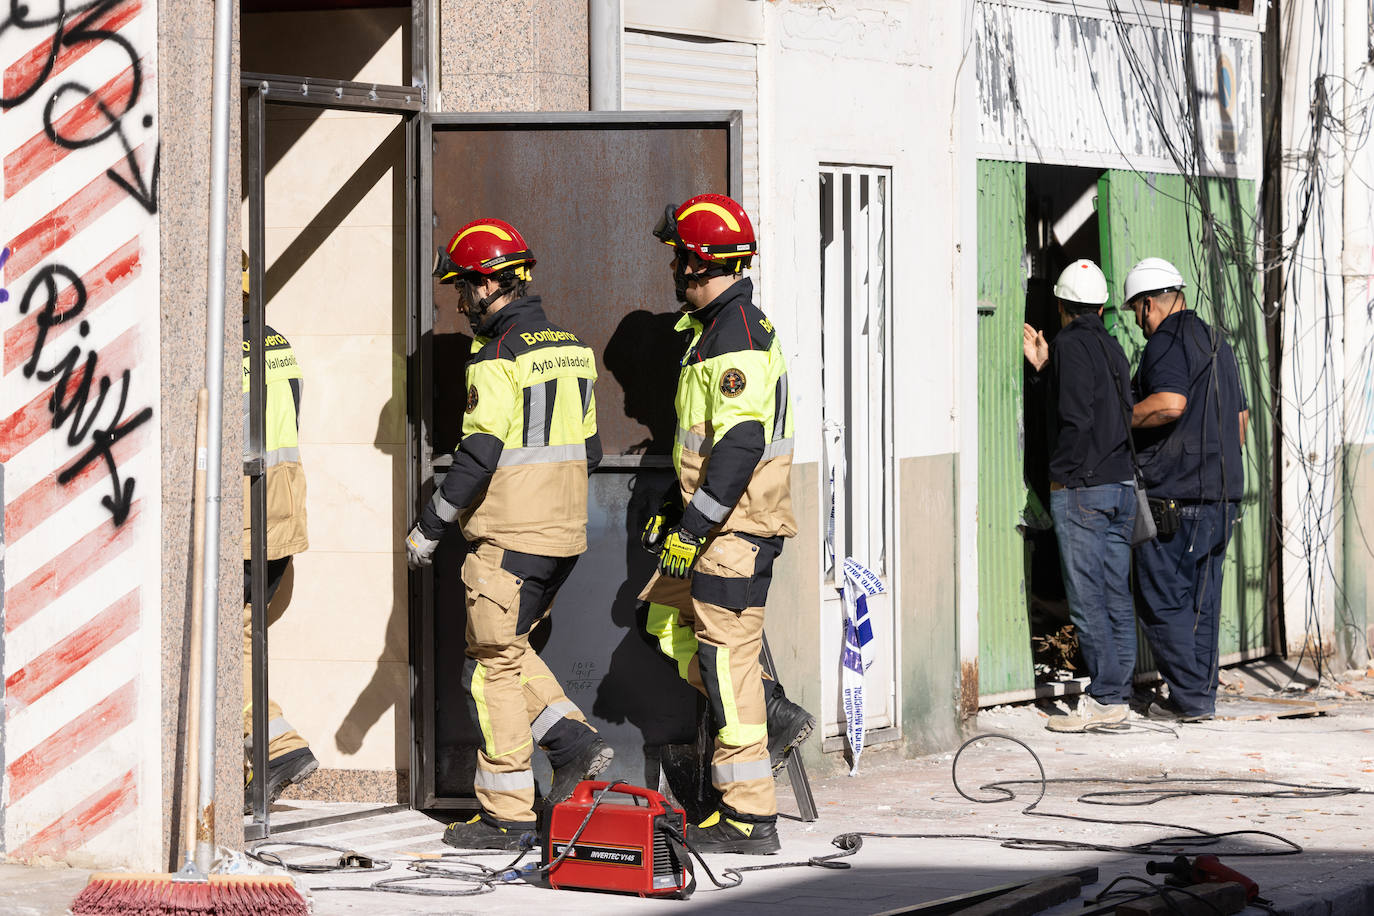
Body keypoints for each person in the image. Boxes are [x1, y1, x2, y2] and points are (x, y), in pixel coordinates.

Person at [405, 218, 612, 850]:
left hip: (510, 536)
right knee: (512, 648)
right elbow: (594, 449)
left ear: (492, 284)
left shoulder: (497, 356)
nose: (461, 304)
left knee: (490, 667)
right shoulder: (572, 347)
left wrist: (431, 526)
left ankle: (506, 814)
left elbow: (478, 454)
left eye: (464, 290)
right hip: (563, 535)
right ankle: (573, 741)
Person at [638, 194, 815, 855]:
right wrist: (676, 510)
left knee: (725, 666)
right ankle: (771, 708)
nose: (675, 268)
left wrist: (693, 529)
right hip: (719, 528)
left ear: (698, 262)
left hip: (730, 535)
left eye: (680, 256)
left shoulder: (734, 336)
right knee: (661, 621)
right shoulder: (719, 330)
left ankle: (748, 817)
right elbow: (708, 445)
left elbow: (739, 448)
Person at [1124, 258, 1248, 723]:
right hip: (1223, 497)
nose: (1139, 324)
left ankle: (1193, 697)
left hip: (1179, 498)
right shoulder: (1219, 342)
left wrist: (1122, 420)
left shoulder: (1165, 341)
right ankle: (1199, 695)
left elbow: (1170, 404)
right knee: (1202, 602)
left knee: (1160, 599)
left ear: (1150, 303)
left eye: (1139, 312)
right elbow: (1240, 422)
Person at [1023, 260, 1138, 733]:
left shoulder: (1070, 345)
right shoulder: (1114, 349)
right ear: (1102, 304)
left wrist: (1059, 476)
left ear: (1061, 304)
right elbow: (1108, 409)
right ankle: (1119, 694)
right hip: (1121, 487)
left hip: (1084, 489)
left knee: (1088, 597)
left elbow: (1075, 417)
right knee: (1115, 594)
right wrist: (1045, 371)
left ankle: (1106, 696)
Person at [241, 251, 318, 812]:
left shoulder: (216, 348)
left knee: (228, 645)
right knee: (243, 639)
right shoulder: (277, 343)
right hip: (281, 513)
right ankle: (271, 748)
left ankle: (277, 745)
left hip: (243, 516)